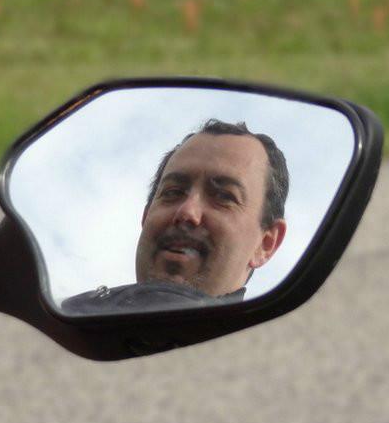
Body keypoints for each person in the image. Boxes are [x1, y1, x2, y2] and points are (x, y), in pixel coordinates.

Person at [63, 119, 289, 313]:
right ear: (145, 216)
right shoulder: (68, 320)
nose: (187, 212)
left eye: (223, 196)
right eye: (172, 192)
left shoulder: (267, 347)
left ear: (266, 244)